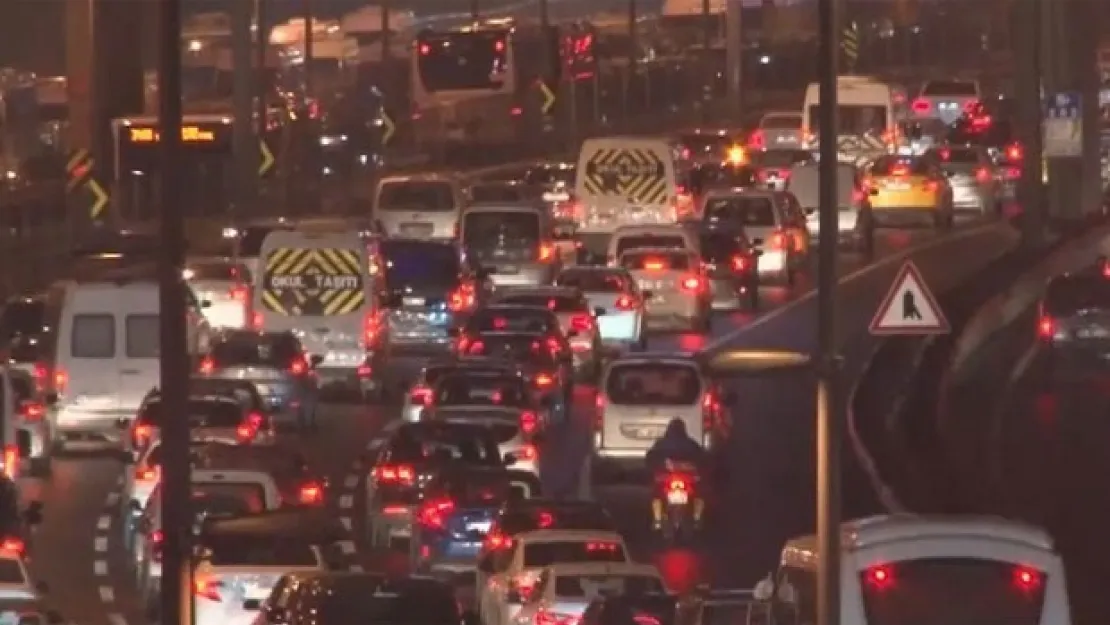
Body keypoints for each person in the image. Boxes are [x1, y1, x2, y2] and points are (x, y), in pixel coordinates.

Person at [645, 419, 707, 531]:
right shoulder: (691, 444)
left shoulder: (661, 443)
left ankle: (657, 519)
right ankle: (697, 518)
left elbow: (650, 458)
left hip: (666, 478)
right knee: (699, 494)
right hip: (688, 479)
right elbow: (702, 459)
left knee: (656, 495)